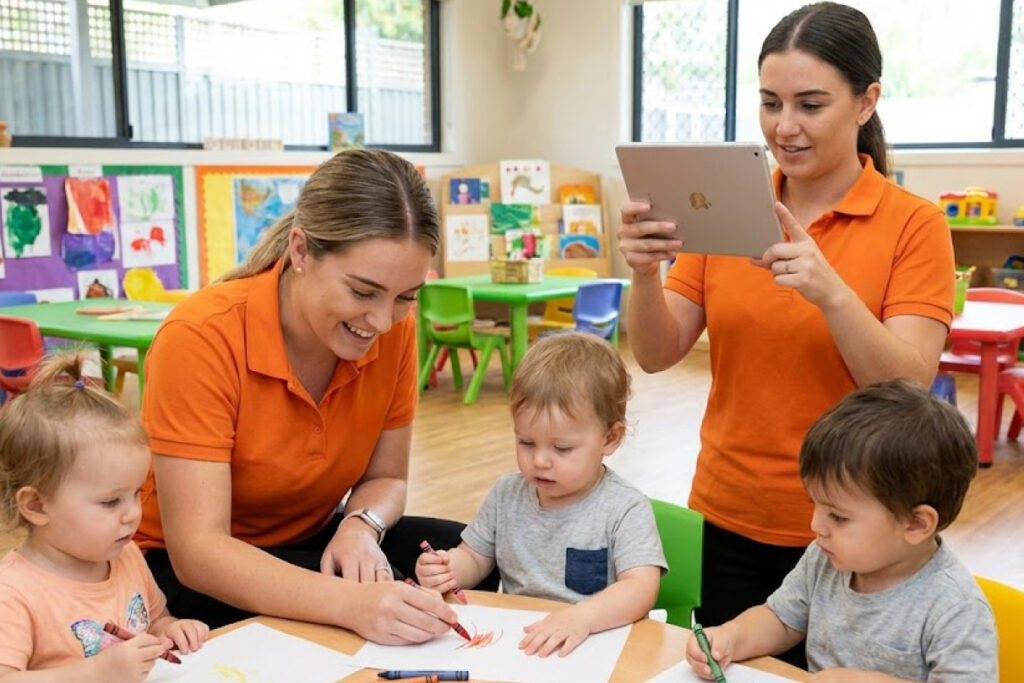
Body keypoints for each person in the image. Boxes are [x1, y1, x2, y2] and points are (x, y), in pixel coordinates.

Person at [617, 1, 956, 646]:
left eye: (810, 104)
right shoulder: (729, 207)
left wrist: (830, 292)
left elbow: (909, 388)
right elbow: (658, 355)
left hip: (854, 537)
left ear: (865, 102)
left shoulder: (915, 224)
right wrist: (641, 273)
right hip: (726, 515)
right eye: (771, 103)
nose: (785, 126)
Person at [136, 149, 483, 643]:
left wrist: (361, 528)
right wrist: (352, 604)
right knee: (354, 628)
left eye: (406, 297)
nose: (383, 322)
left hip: (312, 540)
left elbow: (387, 479)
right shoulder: (201, 335)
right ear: (300, 251)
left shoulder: (391, 333)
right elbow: (198, 552)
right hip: (183, 572)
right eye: (363, 292)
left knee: (470, 556)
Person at [686, 380, 997, 682]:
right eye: (816, 505)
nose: (816, 526)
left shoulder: (956, 608)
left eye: (837, 516)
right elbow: (781, 620)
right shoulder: (825, 560)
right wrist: (731, 636)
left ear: (915, 524)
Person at [415, 332, 667, 657]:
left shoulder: (624, 508)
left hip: (593, 646)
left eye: (562, 448)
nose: (540, 461)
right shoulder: (507, 493)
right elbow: (476, 557)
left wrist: (583, 617)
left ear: (610, 438)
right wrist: (449, 569)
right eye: (526, 442)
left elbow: (641, 587)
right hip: (521, 646)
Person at [0, 352, 209, 681]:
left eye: (137, 493)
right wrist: (97, 672)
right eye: (111, 501)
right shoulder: (12, 592)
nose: (132, 514)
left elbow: (155, 622)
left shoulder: (127, 556)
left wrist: (172, 630)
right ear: (37, 506)